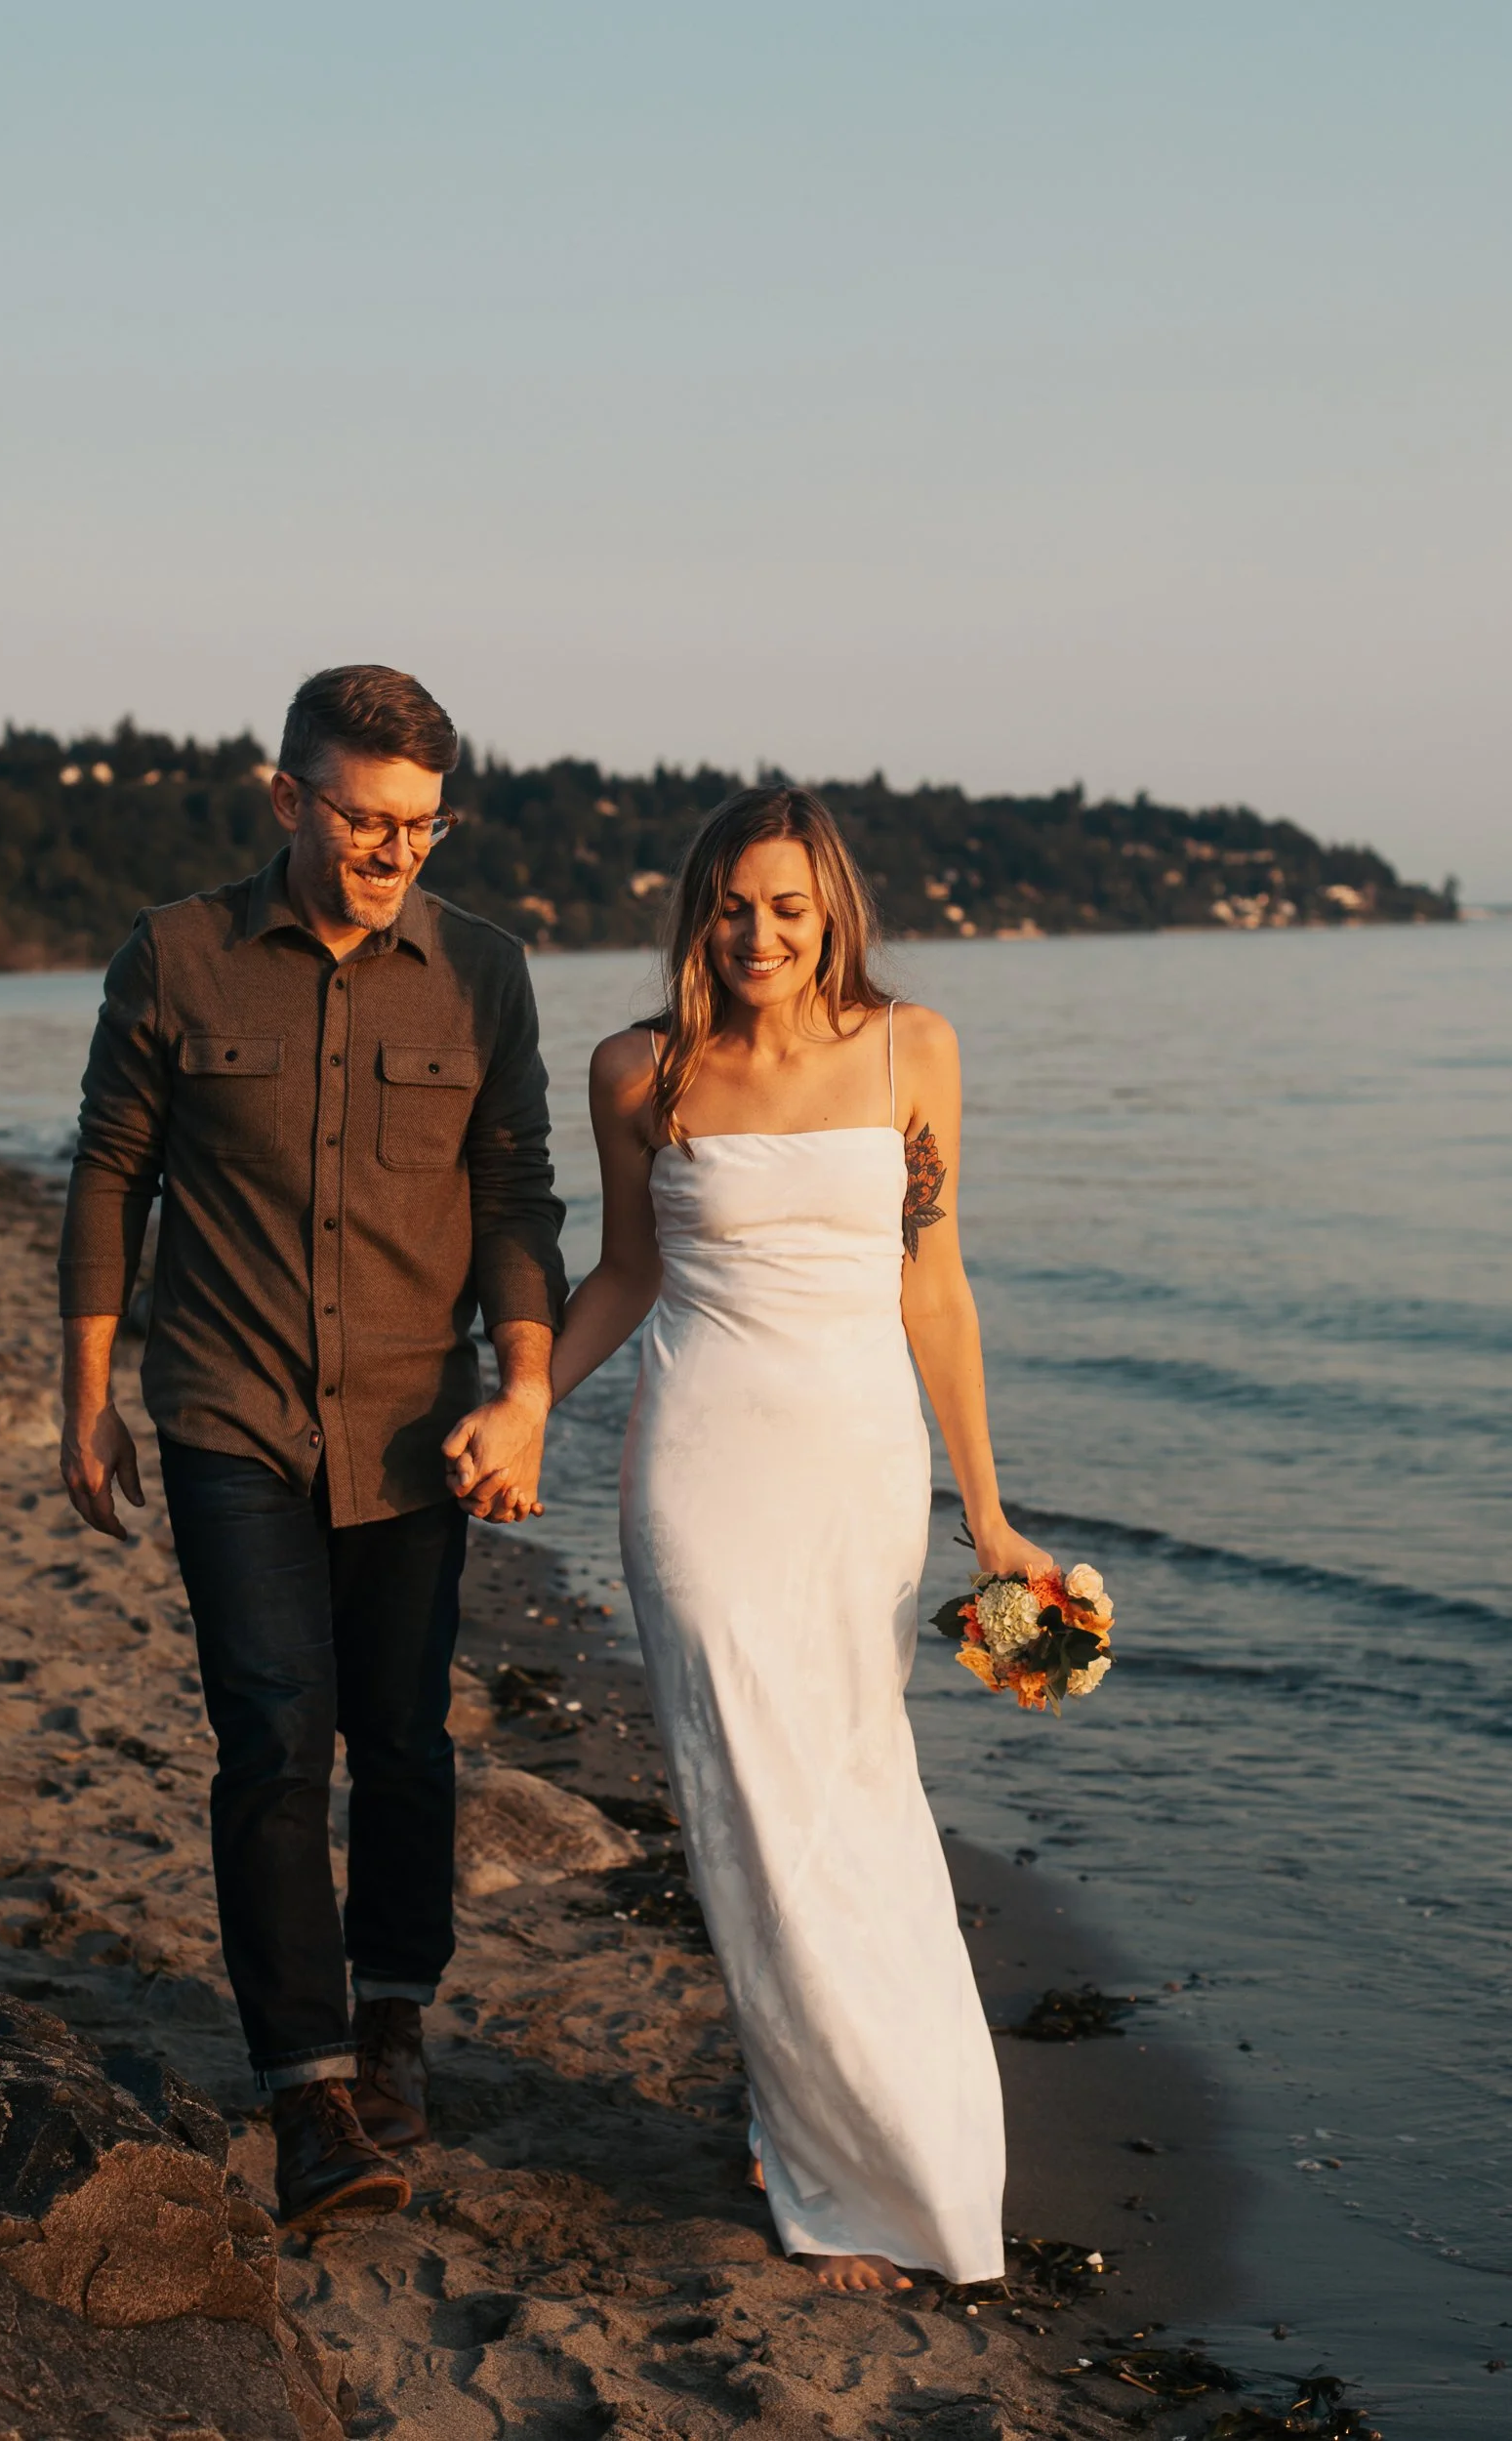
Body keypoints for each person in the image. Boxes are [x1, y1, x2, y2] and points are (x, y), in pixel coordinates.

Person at [58, 664, 564, 2232]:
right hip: (228, 1411)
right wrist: (84, 1395)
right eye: (362, 817)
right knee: (276, 1737)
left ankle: (395, 2016)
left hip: (417, 1428)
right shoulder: (179, 954)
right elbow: (109, 1177)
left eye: (419, 825)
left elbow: (517, 1194)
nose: (389, 850)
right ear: (287, 797)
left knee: (405, 1742)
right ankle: (306, 2096)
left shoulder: (482, 973)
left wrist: (528, 1384)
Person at [544, 785, 1052, 2294]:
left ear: (830, 909)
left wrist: (990, 1510)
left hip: (856, 1471)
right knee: (746, 1808)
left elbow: (935, 1290)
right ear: (693, 911)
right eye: (727, 904)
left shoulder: (913, 1049)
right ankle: (827, 2159)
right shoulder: (638, 1073)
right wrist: (520, 1405)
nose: (755, 933)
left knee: (851, 1795)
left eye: (786, 906)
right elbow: (625, 1273)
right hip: (698, 1473)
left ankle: (878, 2140)